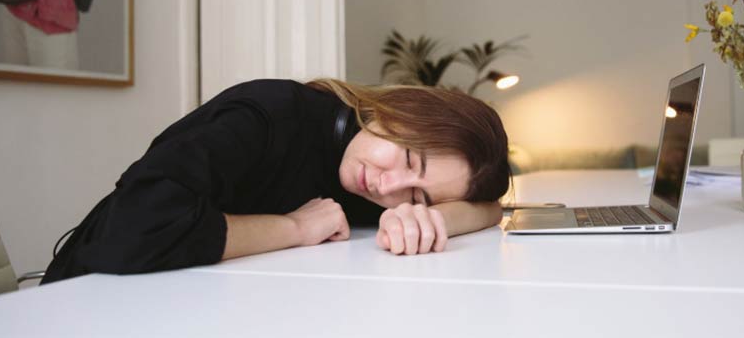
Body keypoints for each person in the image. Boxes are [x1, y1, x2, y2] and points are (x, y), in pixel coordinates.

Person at [41, 79, 511, 284]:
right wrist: (293, 229)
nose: (388, 189)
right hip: (92, 294)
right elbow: (136, 228)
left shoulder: (364, 167)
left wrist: (428, 217)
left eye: (414, 193)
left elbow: (490, 207)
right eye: (408, 157)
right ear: (401, 108)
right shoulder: (267, 114)